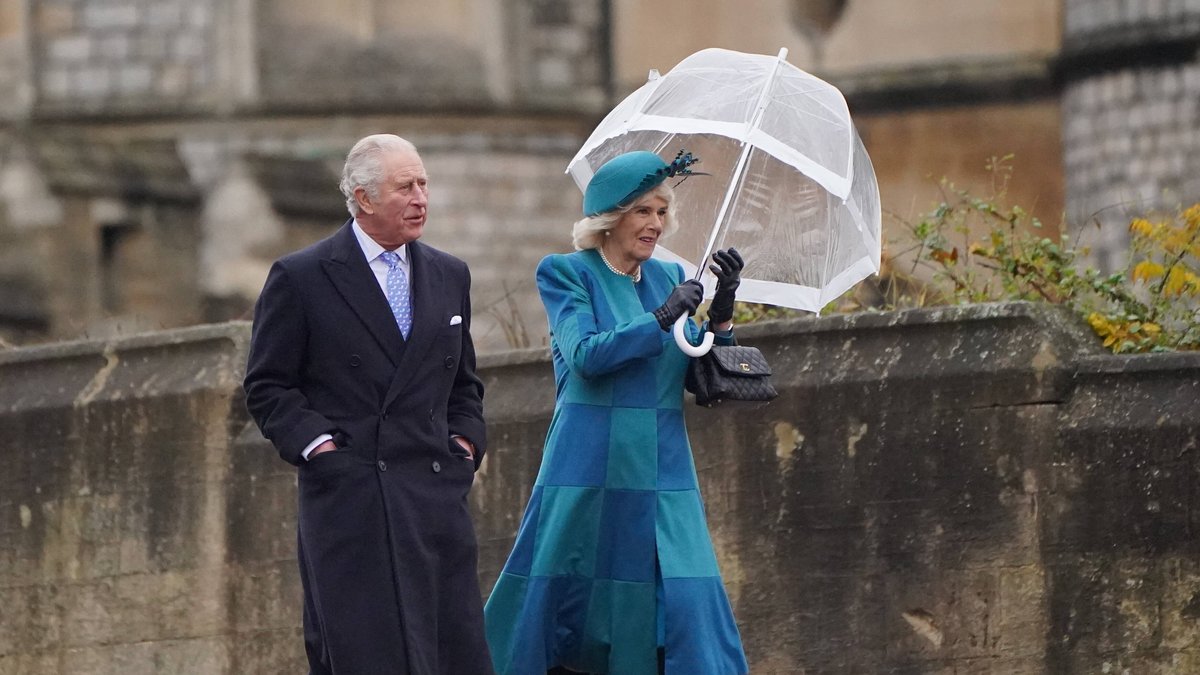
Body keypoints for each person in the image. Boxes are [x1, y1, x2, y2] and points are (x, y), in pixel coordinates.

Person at [483, 150, 750, 675]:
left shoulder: (668, 275)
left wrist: (721, 315)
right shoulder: (566, 274)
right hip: (589, 468)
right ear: (610, 217)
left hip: (664, 470)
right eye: (643, 211)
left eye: (660, 212)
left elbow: (702, 378)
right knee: (574, 610)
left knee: (688, 606)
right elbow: (586, 356)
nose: (655, 223)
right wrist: (663, 315)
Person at [243, 133, 493, 675]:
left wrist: (465, 443)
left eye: (423, 183)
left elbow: (464, 384)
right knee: (366, 655)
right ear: (364, 199)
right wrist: (321, 449)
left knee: (452, 653)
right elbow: (267, 386)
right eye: (405, 187)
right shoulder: (302, 276)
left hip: (433, 499)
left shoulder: (451, 274)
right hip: (351, 501)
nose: (421, 198)